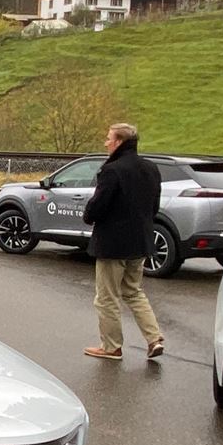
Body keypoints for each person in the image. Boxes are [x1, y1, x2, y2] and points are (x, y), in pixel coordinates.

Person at [81, 122, 165, 361]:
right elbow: (154, 207)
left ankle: (111, 346)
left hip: (112, 244)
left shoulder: (112, 170)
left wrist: (89, 216)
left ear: (118, 142)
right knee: (134, 291)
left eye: (108, 138)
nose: (106, 143)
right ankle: (154, 337)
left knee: (107, 297)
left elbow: (98, 205)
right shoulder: (150, 168)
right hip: (140, 242)